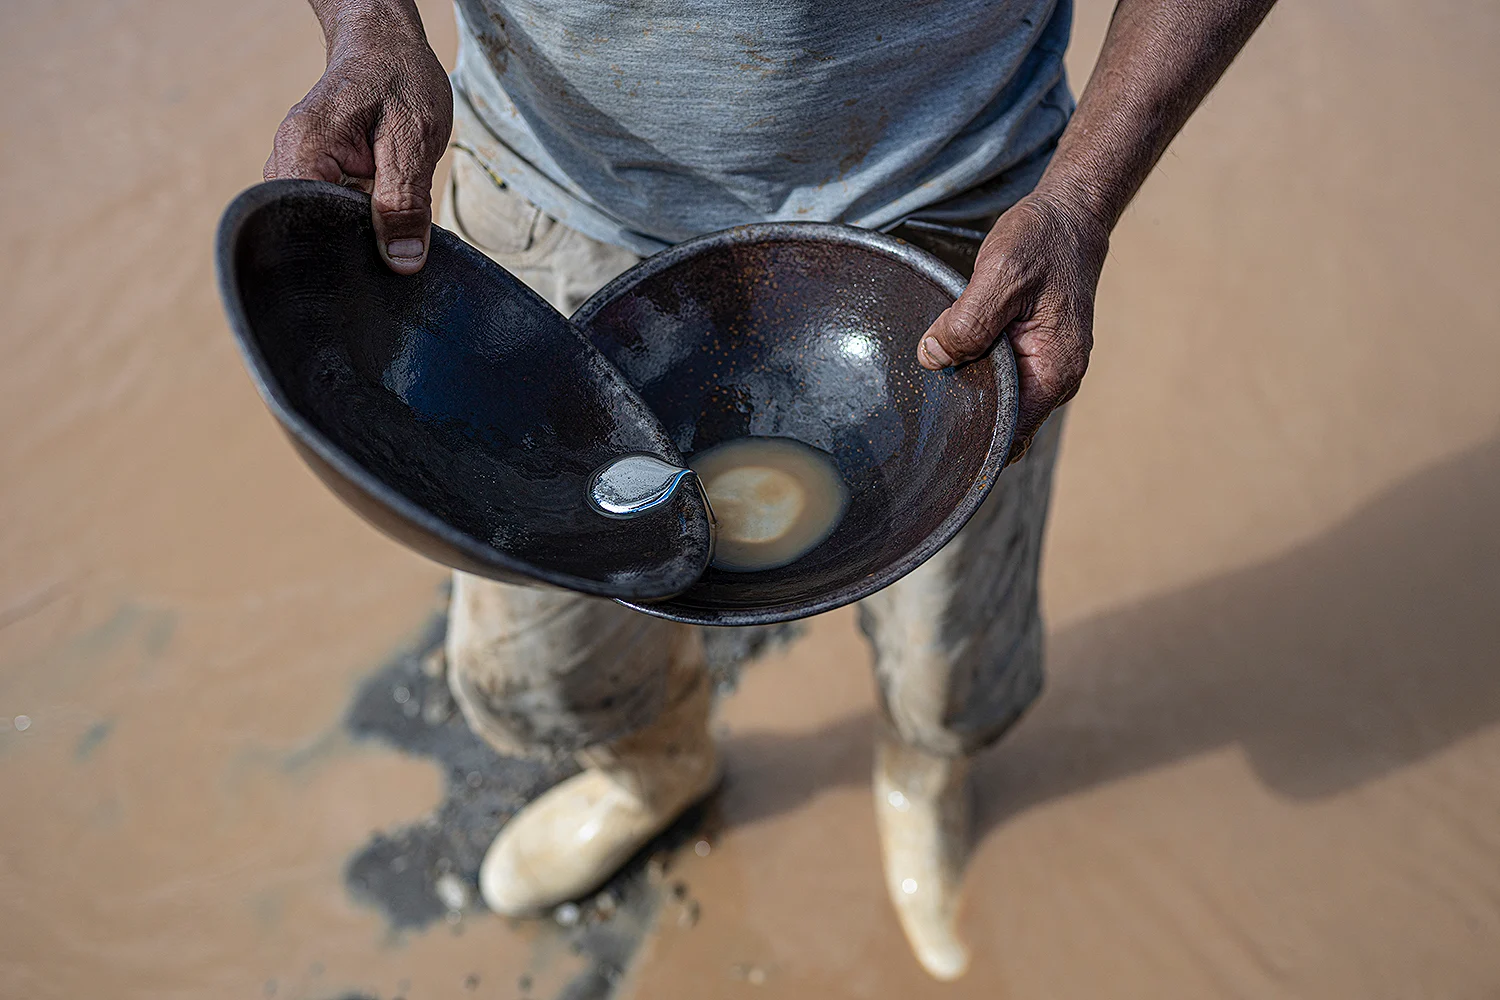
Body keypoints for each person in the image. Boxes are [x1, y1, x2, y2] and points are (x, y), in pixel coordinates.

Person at [266, 0, 1274, 979]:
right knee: (542, 662)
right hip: (557, 191)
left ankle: (922, 778)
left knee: (947, 651)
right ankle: (657, 771)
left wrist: (1082, 197)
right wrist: (369, 25)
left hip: (954, 207)